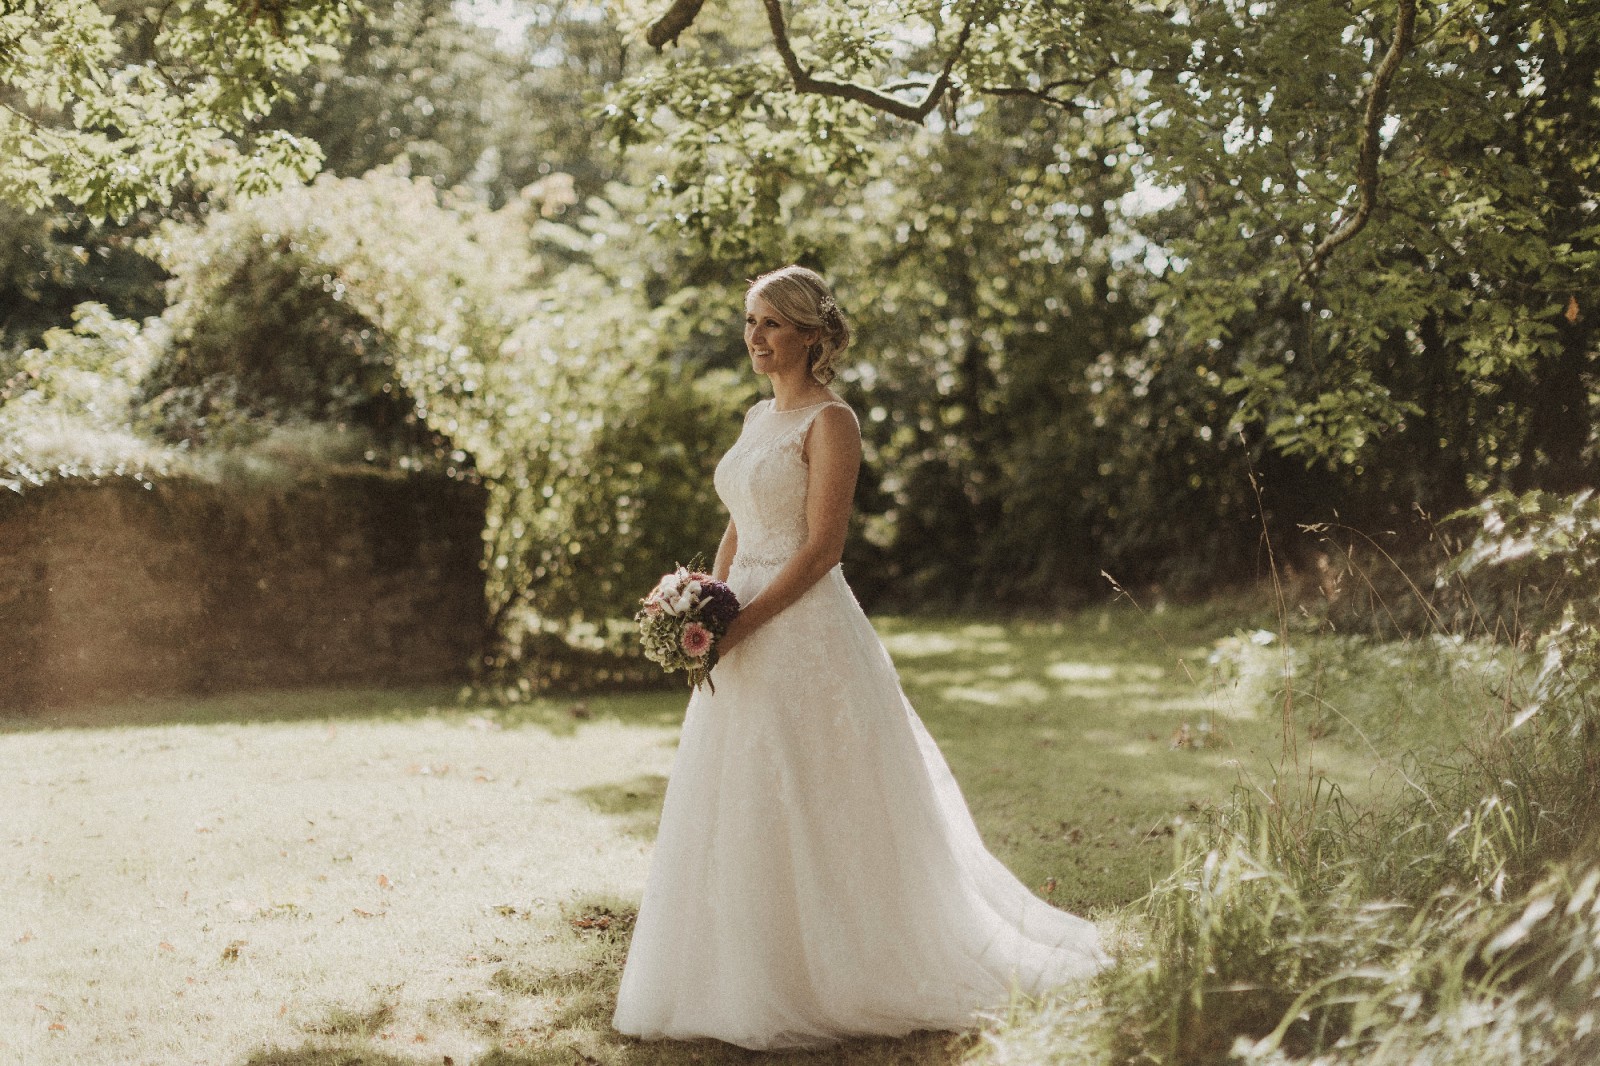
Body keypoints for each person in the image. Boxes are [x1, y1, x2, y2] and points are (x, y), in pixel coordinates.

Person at [612, 265, 1108, 1050]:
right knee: (739, 792)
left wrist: (743, 621)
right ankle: (741, 966)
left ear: (813, 334)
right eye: (749, 322)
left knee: (820, 794)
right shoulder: (754, 418)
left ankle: (846, 966)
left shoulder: (830, 421)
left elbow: (819, 551)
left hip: (803, 629)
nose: (755, 338)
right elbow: (740, 525)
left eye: (772, 324)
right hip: (738, 626)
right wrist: (701, 598)